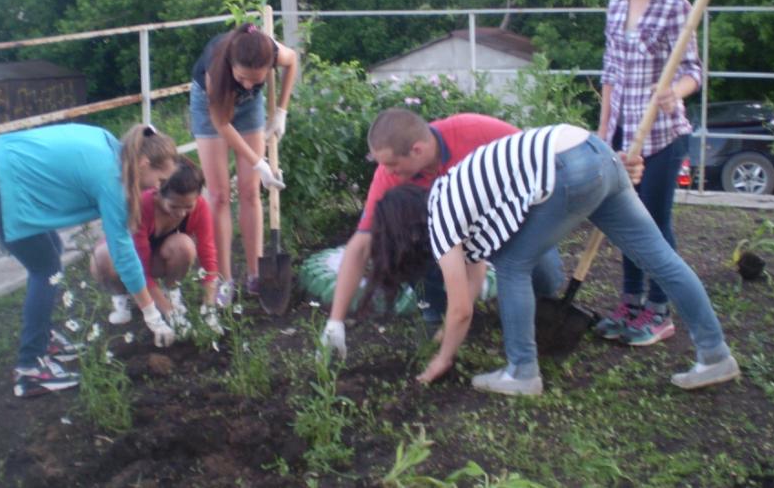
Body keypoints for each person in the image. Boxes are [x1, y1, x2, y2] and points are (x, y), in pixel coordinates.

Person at [370, 125, 740, 396]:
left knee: (514, 266)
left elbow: (462, 308)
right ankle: (714, 354)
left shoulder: (441, 217)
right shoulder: (455, 192)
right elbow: (475, 273)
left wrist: (443, 359)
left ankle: (521, 373)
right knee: (661, 259)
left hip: (567, 167)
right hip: (594, 151)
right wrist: (447, 331)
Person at [319, 108, 565, 359]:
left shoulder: (476, 131)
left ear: (417, 150)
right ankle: (435, 309)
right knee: (402, 241)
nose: (388, 171)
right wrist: (335, 321)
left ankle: (532, 310)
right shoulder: (389, 174)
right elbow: (361, 244)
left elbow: (537, 158)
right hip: (448, 231)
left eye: (392, 164)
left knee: (543, 274)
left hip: (506, 212)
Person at [0, 123, 180, 398]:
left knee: (51, 249)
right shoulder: (111, 179)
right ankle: (30, 369)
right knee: (46, 269)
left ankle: (43, 338)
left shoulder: (108, 142)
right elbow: (123, 253)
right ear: (145, 163)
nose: (157, 189)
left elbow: (52, 166)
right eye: (159, 181)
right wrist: (151, 314)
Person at [595, 0, 703, 346]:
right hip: (624, 131)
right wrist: (604, 130)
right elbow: (610, 71)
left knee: (654, 222)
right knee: (625, 217)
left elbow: (694, 71)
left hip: (662, 133)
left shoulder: (675, 6)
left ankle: (659, 310)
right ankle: (631, 303)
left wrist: (674, 92)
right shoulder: (616, 6)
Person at [190, 22, 297, 301]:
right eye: (242, 77)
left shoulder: (271, 51)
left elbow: (293, 61)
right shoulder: (217, 65)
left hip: (250, 107)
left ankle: (255, 274)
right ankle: (225, 279)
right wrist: (259, 163)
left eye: (256, 79)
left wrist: (282, 111)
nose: (249, 83)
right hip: (210, 105)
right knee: (219, 195)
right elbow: (223, 124)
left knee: (250, 191)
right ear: (232, 66)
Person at [91, 156, 220, 332]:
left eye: (188, 206)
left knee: (184, 246)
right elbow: (139, 266)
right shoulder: (143, 206)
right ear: (159, 190)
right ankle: (123, 298)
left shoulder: (200, 207)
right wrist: (166, 313)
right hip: (125, 263)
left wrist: (209, 308)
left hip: (157, 259)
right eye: (174, 206)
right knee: (104, 254)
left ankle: (171, 291)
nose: (181, 213)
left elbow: (208, 255)